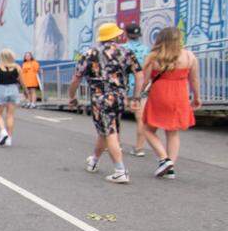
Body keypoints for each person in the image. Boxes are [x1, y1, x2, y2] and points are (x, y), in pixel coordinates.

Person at [67, 23, 144, 184]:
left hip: (100, 98)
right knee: (105, 130)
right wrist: (136, 97)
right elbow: (139, 75)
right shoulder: (126, 52)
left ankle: (120, 170)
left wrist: (72, 96)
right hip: (120, 97)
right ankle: (94, 160)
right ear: (115, 36)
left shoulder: (90, 53)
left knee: (109, 132)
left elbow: (76, 78)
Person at [141, 27, 201, 179]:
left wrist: (137, 95)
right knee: (173, 132)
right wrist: (197, 97)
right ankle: (170, 168)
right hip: (180, 95)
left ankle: (164, 159)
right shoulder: (189, 56)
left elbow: (145, 80)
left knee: (148, 129)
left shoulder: (154, 57)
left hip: (159, 94)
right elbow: (194, 79)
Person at [122, 22, 151, 156]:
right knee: (140, 118)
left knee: (116, 116)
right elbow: (148, 69)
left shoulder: (122, 49)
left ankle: (114, 144)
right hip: (141, 86)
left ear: (126, 34)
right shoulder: (147, 50)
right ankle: (139, 148)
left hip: (124, 85)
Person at [0, 48, 22, 146]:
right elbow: (22, 81)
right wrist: (26, 91)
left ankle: (3, 131)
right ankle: (9, 139)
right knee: (10, 115)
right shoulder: (17, 67)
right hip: (13, 89)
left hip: (1, 90)